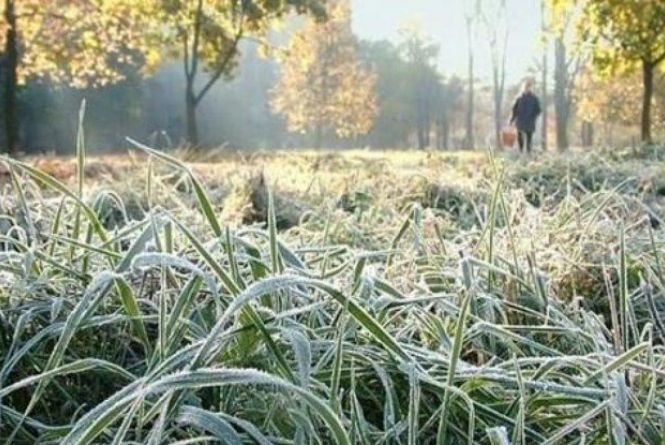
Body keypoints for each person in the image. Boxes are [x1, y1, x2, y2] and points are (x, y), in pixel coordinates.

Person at [510, 78, 541, 153]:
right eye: (526, 87)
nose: (527, 89)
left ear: (531, 88)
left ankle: (528, 152)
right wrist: (512, 119)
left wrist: (533, 116)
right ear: (523, 88)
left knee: (529, 138)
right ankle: (521, 151)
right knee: (520, 137)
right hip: (520, 121)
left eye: (529, 87)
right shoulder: (519, 98)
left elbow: (538, 110)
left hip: (529, 121)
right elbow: (514, 110)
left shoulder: (534, 99)